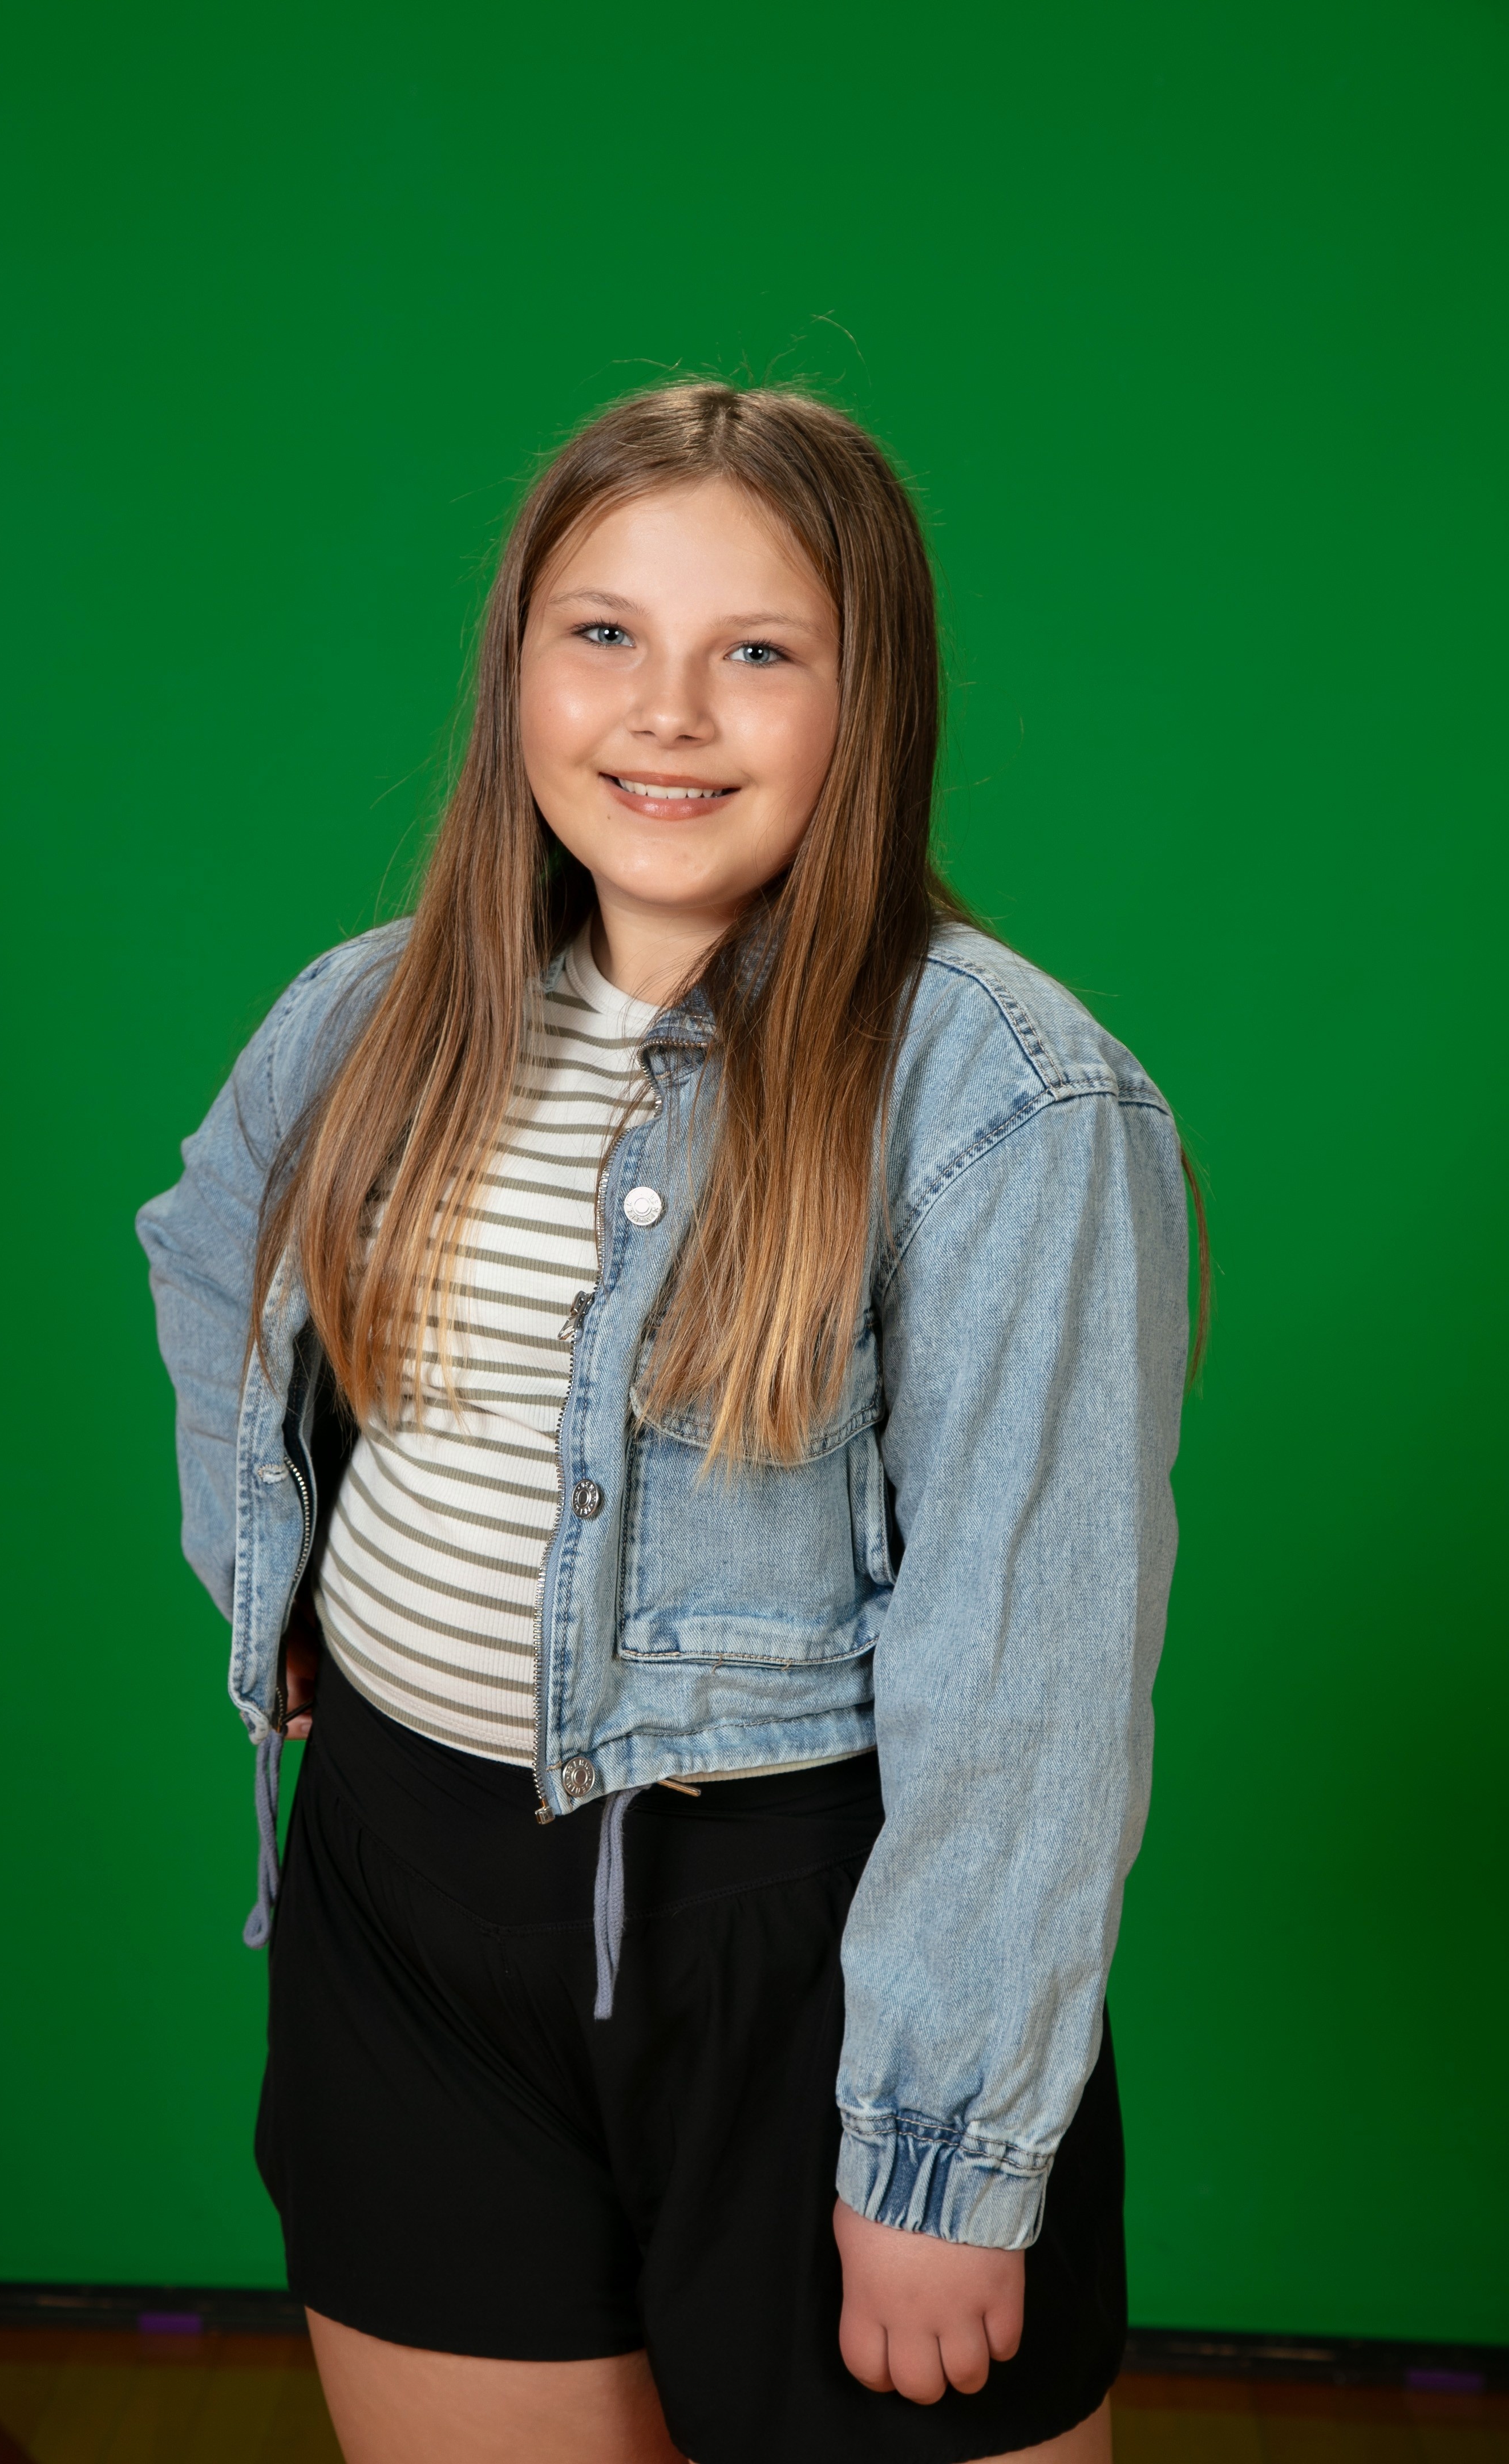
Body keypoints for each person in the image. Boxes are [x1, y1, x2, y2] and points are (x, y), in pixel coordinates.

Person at [138, 381, 1198, 2464]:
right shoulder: (369, 1014)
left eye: (761, 651)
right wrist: (279, 1595)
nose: (669, 715)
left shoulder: (1006, 1098)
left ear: (868, 697)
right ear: (518, 664)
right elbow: (210, 1256)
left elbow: (1033, 1666)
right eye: (605, 633)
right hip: (403, 1908)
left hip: (803, 1953)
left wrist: (941, 2153)